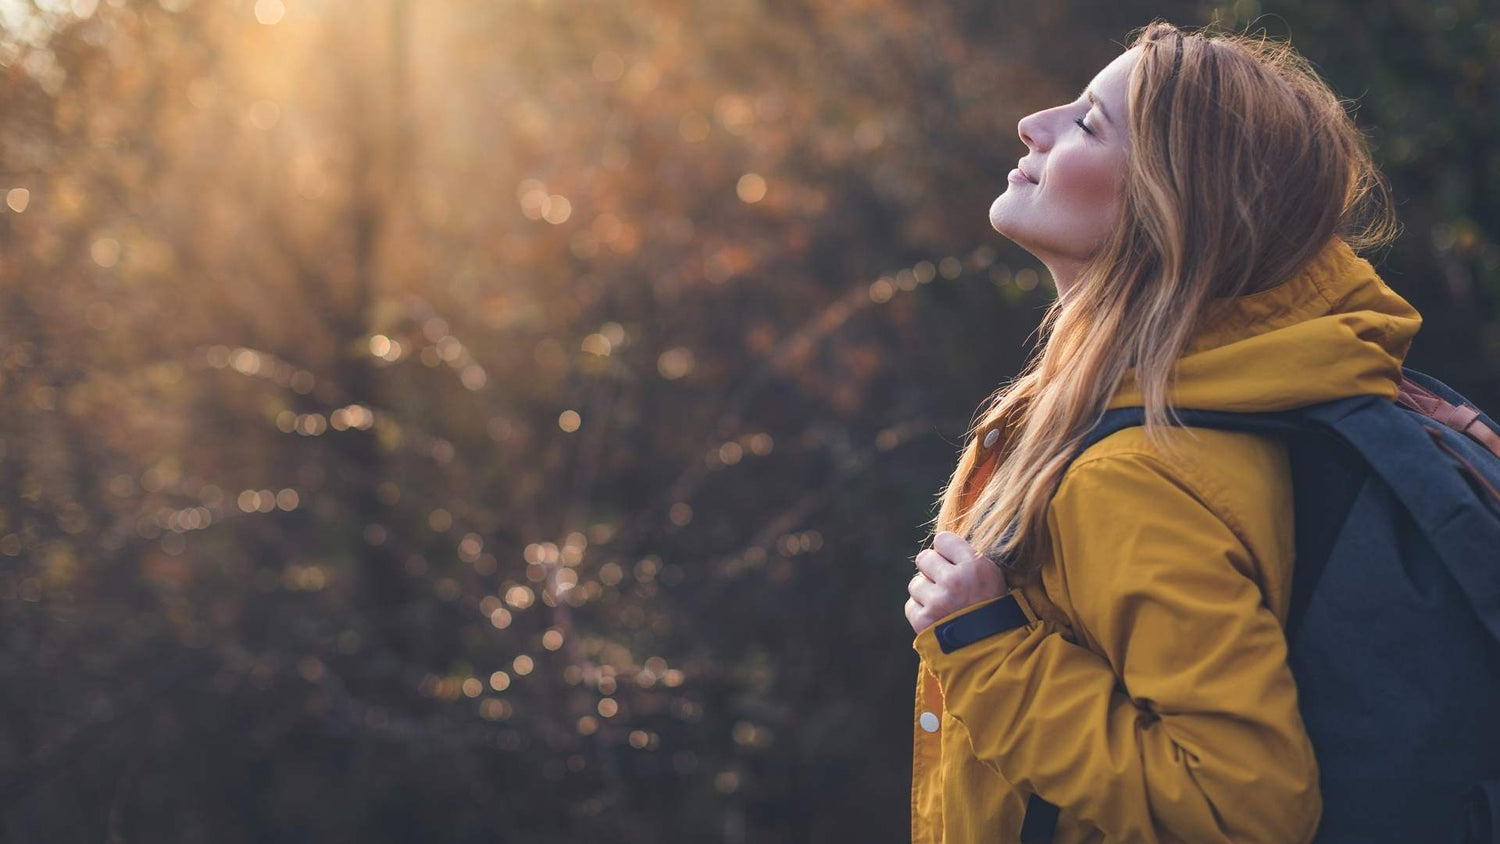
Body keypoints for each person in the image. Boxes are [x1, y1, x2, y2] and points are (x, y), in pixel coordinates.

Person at [904, 19, 1422, 843]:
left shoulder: (1134, 475)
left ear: (1166, 209)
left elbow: (1246, 808)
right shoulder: (1243, 394)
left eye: (1086, 124)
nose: (1033, 123)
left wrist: (988, 651)